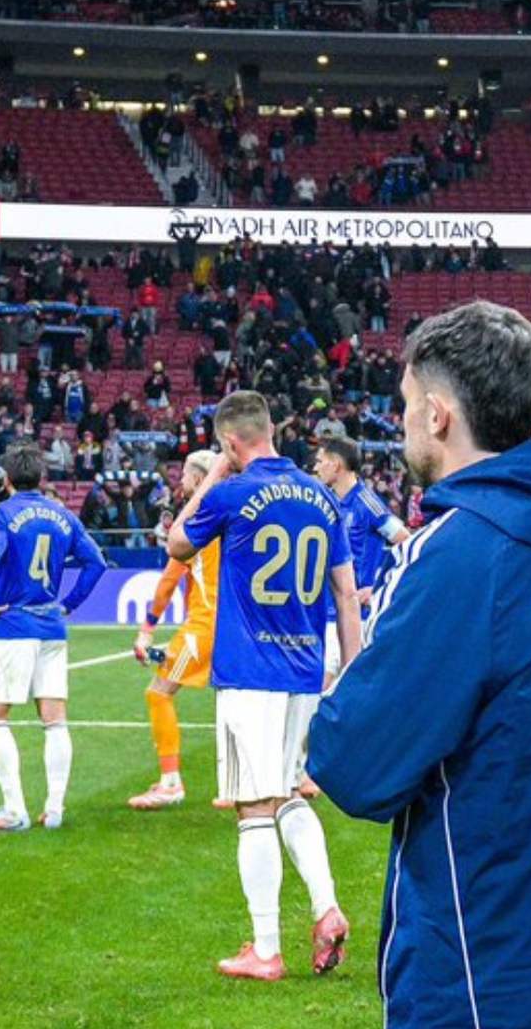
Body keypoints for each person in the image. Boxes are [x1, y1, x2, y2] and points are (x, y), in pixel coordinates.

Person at [308, 301, 531, 1029]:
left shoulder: (458, 555)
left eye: (405, 404)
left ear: (438, 414)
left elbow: (352, 764)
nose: (401, 420)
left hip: (487, 981)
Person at [167, 390, 360, 982]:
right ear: (272, 428)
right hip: (305, 672)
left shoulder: (230, 491)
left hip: (250, 673)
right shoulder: (322, 496)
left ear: (230, 442)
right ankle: (325, 908)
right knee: (290, 796)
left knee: (254, 807)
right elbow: (345, 593)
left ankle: (266, 949)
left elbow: (177, 543)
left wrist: (216, 474)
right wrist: (350, 674)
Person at [0, 444, 107, 832]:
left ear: (7, 479)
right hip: (52, 626)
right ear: (41, 478)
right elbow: (96, 562)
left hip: (14, 626)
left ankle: (14, 810)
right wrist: (69, 605)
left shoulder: (2, 513)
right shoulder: (62, 514)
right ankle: (55, 807)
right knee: (54, 719)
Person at [127, 450, 220, 810]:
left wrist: (147, 630)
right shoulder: (231, 514)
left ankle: (170, 783)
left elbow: (169, 579)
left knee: (158, 693)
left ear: (198, 480)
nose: (180, 480)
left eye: (185, 474)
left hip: (204, 626)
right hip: (229, 624)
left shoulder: (196, 520)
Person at [310, 436, 410, 688]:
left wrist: (377, 585)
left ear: (336, 465)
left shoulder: (367, 503)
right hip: (328, 611)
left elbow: (407, 543)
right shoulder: (330, 503)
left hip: (356, 614)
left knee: (325, 687)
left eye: (320, 461)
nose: (315, 467)